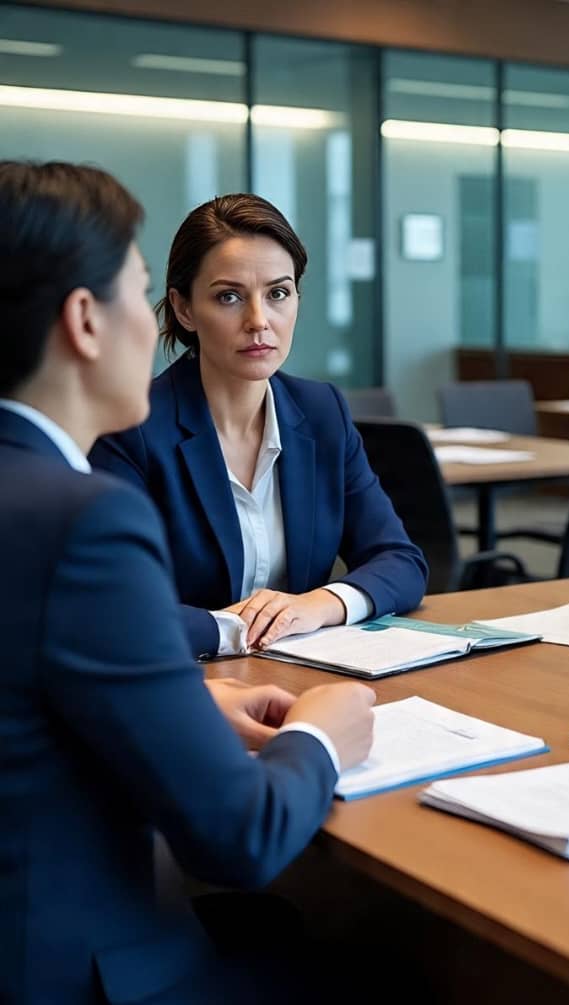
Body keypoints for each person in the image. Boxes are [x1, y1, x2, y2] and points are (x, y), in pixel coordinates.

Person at [0, 161, 377, 1003]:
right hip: (75, 966)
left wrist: (182, 698)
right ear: (87, 320)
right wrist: (321, 732)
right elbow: (239, 839)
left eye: (278, 293)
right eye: (143, 291)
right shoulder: (82, 516)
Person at [91, 194, 427, 660]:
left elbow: (401, 561)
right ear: (184, 309)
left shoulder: (322, 411)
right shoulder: (133, 426)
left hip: (306, 674)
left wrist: (319, 605)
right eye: (229, 296)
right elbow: (113, 609)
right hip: (181, 681)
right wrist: (239, 629)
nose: (258, 321)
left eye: (278, 293)